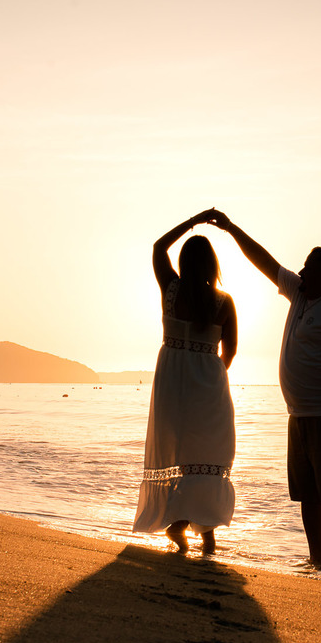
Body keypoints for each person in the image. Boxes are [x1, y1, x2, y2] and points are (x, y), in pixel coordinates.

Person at [210, 211, 321, 571]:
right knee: (309, 494)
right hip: (300, 414)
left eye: (309, 266)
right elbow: (265, 261)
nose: (302, 270)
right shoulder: (300, 293)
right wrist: (232, 228)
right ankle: (317, 560)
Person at [132, 210, 238, 554]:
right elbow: (231, 351)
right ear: (212, 265)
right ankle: (206, 532)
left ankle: (178, 523)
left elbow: (158, 246)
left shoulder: (171, 289)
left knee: (177, 452)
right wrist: (209, 376)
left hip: (171, 382)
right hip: (209, 384)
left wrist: (195, 220)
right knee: (208, 455)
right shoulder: (224, 302)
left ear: (184, 261)